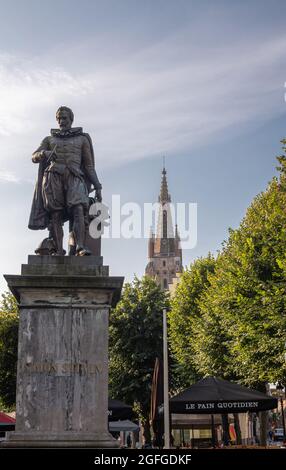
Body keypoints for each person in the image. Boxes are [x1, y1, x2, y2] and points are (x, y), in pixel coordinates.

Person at [29, 106, 102, 256]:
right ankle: (58, 249)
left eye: (65, 118)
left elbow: (88, 166)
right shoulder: (49, 140)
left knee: (78, 209)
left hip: (75, 176)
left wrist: (98, 186)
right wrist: (44, 153)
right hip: (53, 176)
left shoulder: (82, 139)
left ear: (71, 119)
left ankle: (80, 247)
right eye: (59, 118)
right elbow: (33, 156)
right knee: (55, 214)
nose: (62, 121)